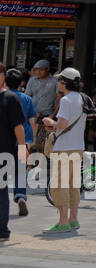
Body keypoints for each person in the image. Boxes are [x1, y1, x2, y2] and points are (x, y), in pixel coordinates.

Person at [42, 67, 89, 234]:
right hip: (78, 146)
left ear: (65, 83)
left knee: (59, 185)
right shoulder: (83, 99)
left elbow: (61, 124)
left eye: (59, 80)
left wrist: (50, 122)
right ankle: (73, 219)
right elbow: (80, 124)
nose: (57, 83)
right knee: (73, 184)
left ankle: (62, 222)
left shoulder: (66, 100)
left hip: (64, 148)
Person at [0, 70, 26, 242]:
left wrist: (23, 149)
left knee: (0, 191)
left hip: (3, 152)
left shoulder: (10, 99)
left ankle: (2, 230)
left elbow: (18, 127)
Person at [9, 69, 35, 217]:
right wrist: (33, 140)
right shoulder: (27, 99)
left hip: (6, 139)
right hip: (23, 140)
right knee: (20, 170)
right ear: (22, 83)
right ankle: (20, 196)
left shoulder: (3, 97)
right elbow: (32, 122)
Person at [26, 59, 58, 155]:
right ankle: (30, 166)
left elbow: (60, 99)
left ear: (47, 69)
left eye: (41, 70)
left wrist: (53, 115)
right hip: (33, 117)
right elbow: (27, 97)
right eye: (36, 70)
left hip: (48, 115)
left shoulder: (55, 81)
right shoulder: (32, 80)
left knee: (44, 145)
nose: (38, 72)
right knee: (30, 144)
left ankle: (41, 167)